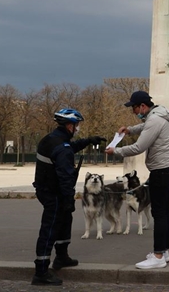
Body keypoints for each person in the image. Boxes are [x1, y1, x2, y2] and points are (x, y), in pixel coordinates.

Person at [105, 91, 169, 269]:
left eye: (134, 108)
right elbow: (144, 127)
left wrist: (116, 151)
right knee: (165, 211)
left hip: (162, 171)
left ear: (143, 106)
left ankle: (158, 254)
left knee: (159, 213)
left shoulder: (153, 120)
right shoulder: (158, 114)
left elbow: (139, 147)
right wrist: (129, 129)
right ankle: (164, 250)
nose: (133, 111)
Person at [32, 108, 106, 286]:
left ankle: (62, 257)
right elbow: (65, 176)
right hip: (54, 192)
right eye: (77, 125)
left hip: (46, 189)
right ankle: (41, 271)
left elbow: (69, 147)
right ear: (70, 125)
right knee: (50, 229)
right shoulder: (62, 148)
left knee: (65, 221)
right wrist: (69, 199)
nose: (78, 128)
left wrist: (87, 141)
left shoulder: (52, 139)